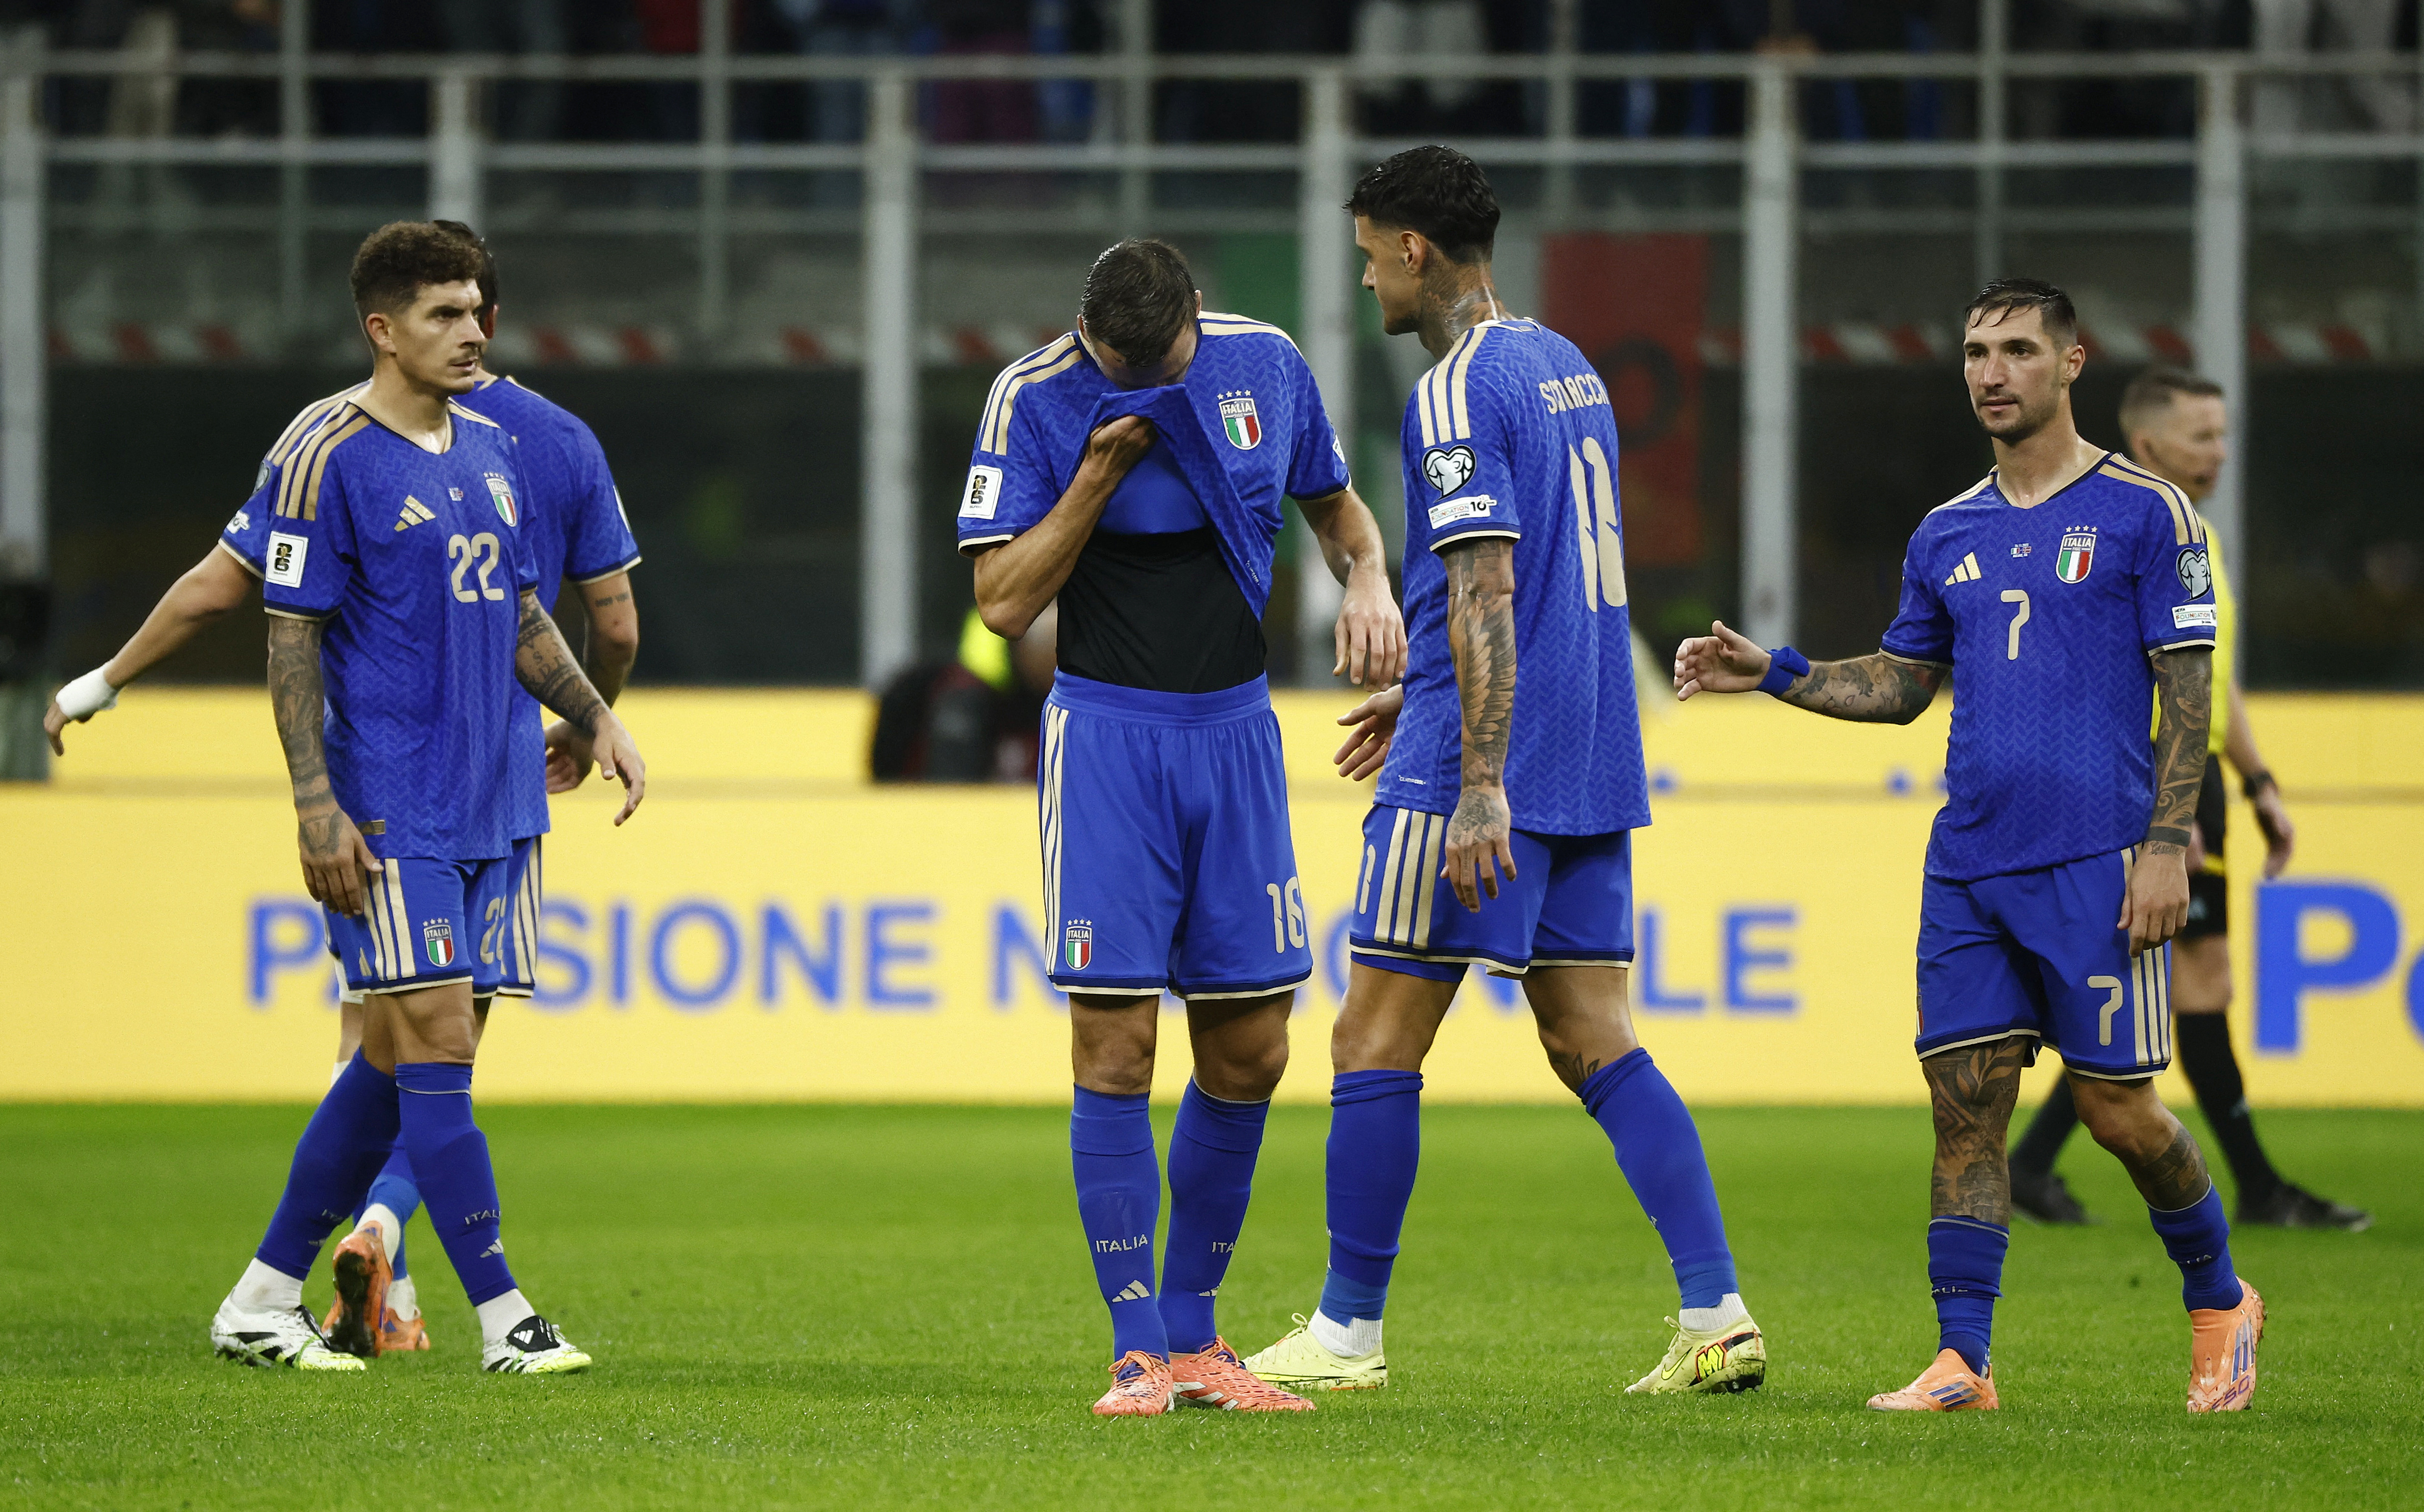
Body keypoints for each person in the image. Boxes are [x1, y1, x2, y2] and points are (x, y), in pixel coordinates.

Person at [45, 222, 647, 1354]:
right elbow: (289, 638)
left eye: (474, 311)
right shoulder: (325, 450)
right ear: (382, 328)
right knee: (442, 1049)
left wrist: (596, 713)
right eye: (442, 315)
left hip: (495, 802)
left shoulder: (492, 449)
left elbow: (522, 611)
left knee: (384, 1061)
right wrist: (315, 808)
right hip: (390, 804)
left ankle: (258, 1301)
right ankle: (507, 1318)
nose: (472, 333)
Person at [1673, 278, 2266, 1413]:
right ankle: (1964, 1360)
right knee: (1964, 1105)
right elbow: (1905, 682)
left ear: (2071, 362)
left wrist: (2166, 844)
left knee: (2118, 1112)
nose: (1992, 373)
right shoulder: (1946, 530)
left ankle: (2220, 1299)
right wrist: (1779, 673)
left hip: (2098, 859)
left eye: (2017, 350)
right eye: (1976, 353)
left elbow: (2188, 689)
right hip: (1968, 865)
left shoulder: (2149, 513)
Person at [1244, 146, 1767, 1398]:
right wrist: (1427, 678)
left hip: (1480, 771)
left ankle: (1346, 1332)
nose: (1364, 279)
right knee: (1593, 1036)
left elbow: (1486, 584)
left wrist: (1476, 771)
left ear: (1412, 249)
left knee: (1373, 1035)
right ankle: (1717, 1313)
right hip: (1591, 754)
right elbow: (1539, 584)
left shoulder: (1453, 388)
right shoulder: (1566, 365)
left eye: (1368, 255)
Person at [960, 237, 1405, 1416]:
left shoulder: (1266, 366)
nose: (1144, 383)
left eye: (1160, 365)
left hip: (1237, 736)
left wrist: (1366, 578)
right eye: (1121, 365)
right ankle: (1136, 1348)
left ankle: (1199, 1340)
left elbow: (1338, 513)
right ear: (1087, 333)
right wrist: (1097, 475)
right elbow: (1000, 602)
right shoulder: (1035, 396)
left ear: (1194, 322)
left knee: (1253, 1046)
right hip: (1109, 740)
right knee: (1116, 1049)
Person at [2005, 367, 2366, 1232]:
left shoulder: (2192, 533)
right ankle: (2257, 1187)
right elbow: (2105, 683)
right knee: (2192, 982)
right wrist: (2159, 817)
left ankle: (2033, 1163)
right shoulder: (2128, 533)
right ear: (2150, 442)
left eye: (2223, 433)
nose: (2220, 450)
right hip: (2155, 783)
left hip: (2196, 783)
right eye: (2203, 434)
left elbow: (2210, 677)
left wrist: (2258, 780)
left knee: (2170, 988)